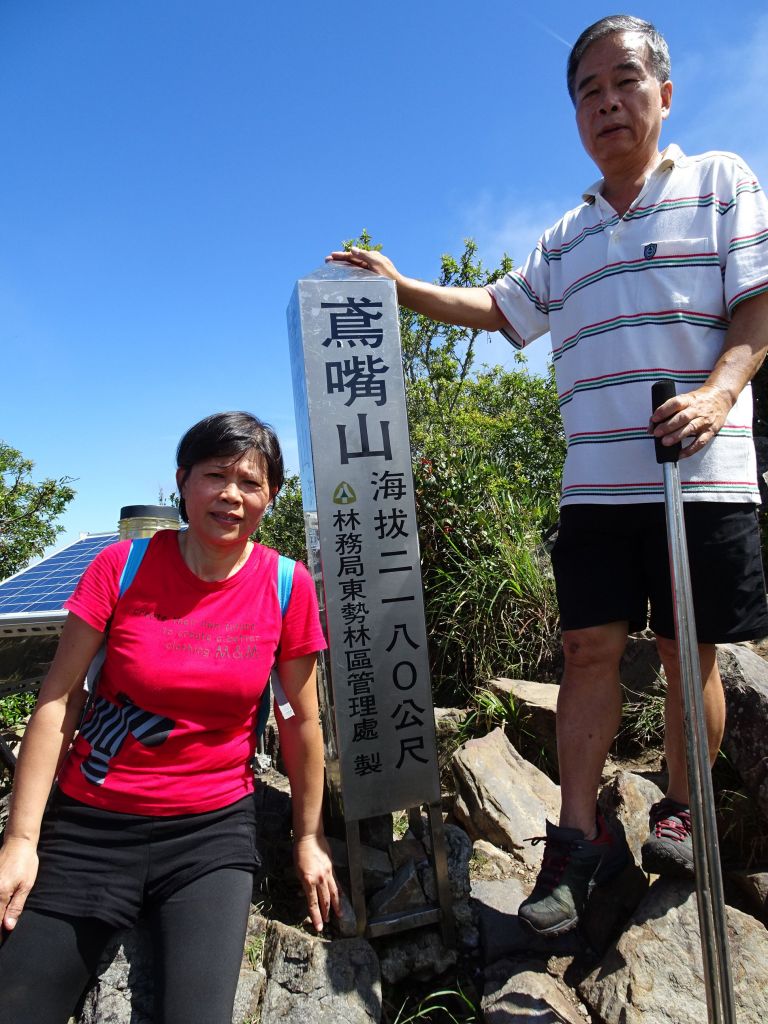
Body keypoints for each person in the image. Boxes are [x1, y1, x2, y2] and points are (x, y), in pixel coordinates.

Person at [328, 14, 768, 936]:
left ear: (664, 93)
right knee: (584, 652)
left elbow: (756, 311)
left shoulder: (723, 180)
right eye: (587, 93)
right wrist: (403, 286)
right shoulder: (565, 234)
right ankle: (575, 839)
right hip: (597, 486)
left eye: (624, 82)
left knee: (689, 650)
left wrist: (720, 395)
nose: (607, 103)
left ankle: (681, 807)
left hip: (700, 470)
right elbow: (500, 309)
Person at [0, 411, 339, 1023]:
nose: (232, 495)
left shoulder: (287, 586)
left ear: (272, 496)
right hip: (91, 826)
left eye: (252, 482)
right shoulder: (121, 568)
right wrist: (21, 843)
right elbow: (59, 698)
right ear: (182, 482)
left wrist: (308, 837)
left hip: (209, 836)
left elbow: (299, 720)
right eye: (215, 475)